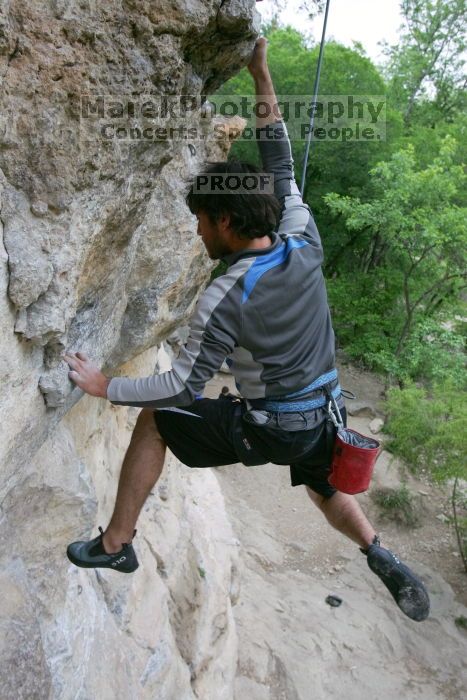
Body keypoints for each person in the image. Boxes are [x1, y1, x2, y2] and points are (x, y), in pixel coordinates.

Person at [65, 38, 429, 622]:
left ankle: (115, 545)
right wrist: (262, 77)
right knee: (322, 487)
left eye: (202, 223)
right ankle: (378, 552)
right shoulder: (302, 238)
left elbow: (183, 387)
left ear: (227, 221)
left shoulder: (226, 293)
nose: (199, 234)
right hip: (326, 416)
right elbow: (280, 161)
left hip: (279, 428)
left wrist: (108, 387)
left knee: (156, 420)